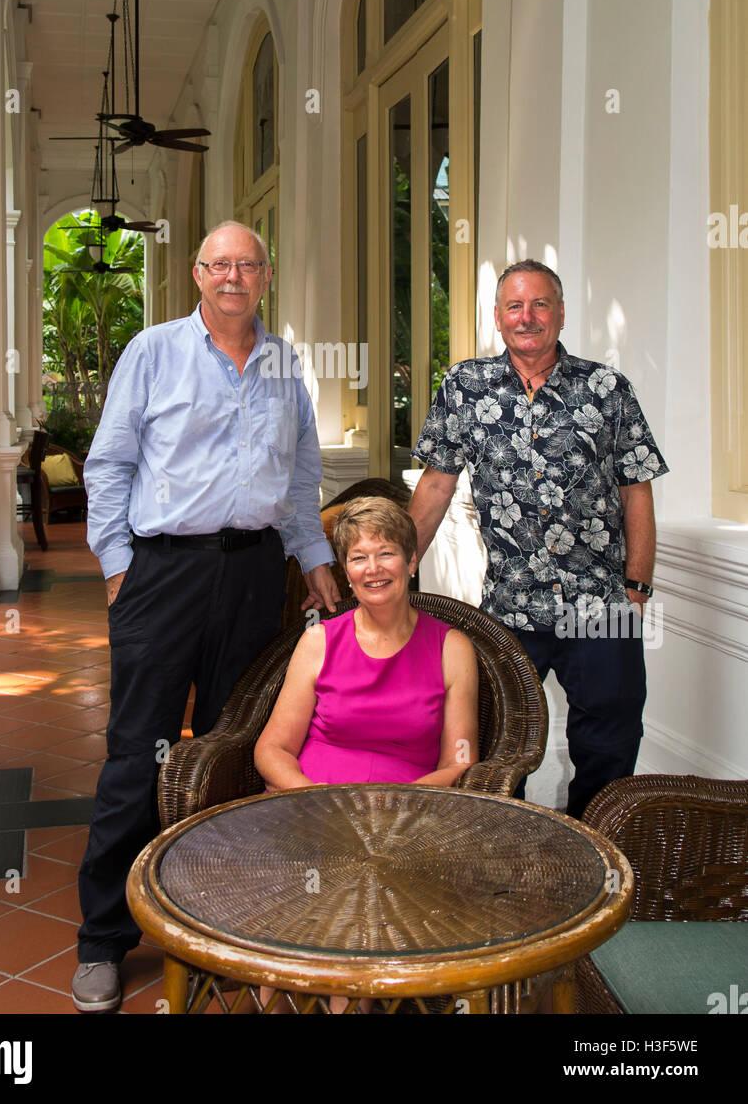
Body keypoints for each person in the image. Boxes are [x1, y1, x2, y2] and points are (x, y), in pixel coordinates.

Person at [73, 220, 340, 1013]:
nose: (232, 276)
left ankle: (221, 921)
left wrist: (315, 562)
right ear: (197, 275)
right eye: (218, 264)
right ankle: (102, 938)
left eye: (246, 265)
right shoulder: (153, 351)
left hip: (256, 574)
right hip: (164, 574)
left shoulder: (285, 363)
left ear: (265, 275)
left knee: (237, 748)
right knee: (136, 754)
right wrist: (121, 567)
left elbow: (301, 476)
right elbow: (110, 465)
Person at [408, 259, 668, 820]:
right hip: (510, 605)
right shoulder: (464, 387)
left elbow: (636, 490)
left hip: (601, 604)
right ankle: (507, 856)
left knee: (608, 743)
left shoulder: (606, 387)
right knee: (500, 744)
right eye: (515, 307)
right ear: (498, 318)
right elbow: (435, 484)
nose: (528, 317)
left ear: (562, 314)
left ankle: (592, 864)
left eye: (541, 304)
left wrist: (638, 587)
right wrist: (401, 567)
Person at [254, 497, 479, 792]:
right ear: (347, 573)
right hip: (310, 803)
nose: (373, 569)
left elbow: (460, 762)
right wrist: (312, 795)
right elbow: (273, 749)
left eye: (386, 553)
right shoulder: (318, 641)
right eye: (358, 558)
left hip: (407, 814)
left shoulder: (452, 649)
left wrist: (397, 802)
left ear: (411, 560)